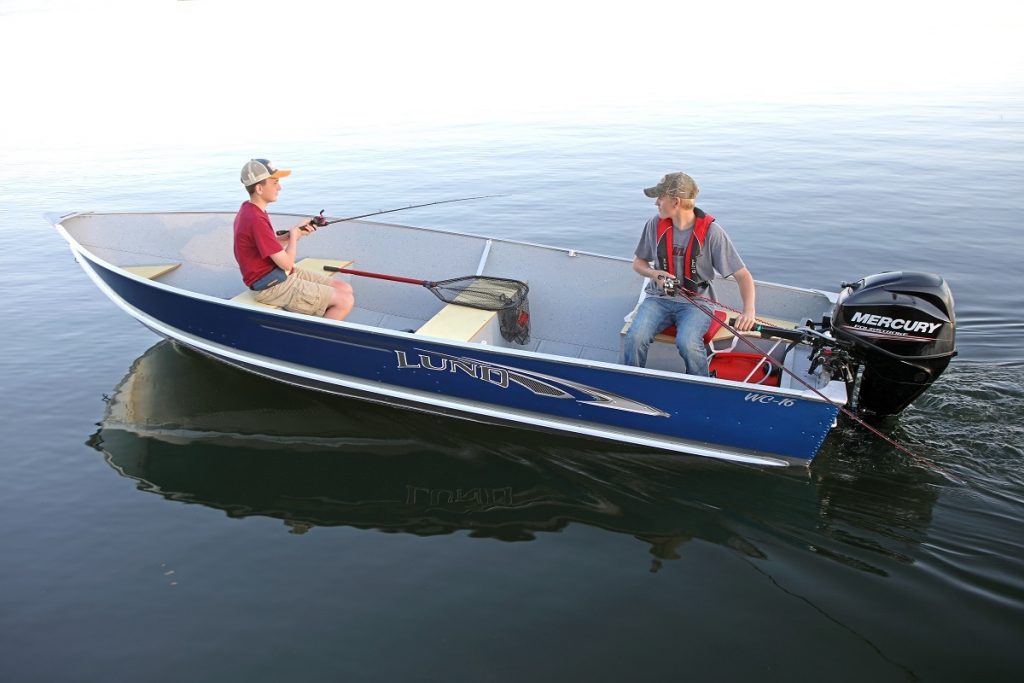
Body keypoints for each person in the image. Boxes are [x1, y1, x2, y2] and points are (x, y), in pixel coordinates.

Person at [621, 172, 756, 375]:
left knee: (688, 342)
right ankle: (631, 380)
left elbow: (743, 275)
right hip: (658, 298)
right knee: (635, 337)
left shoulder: (712, 233)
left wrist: (749, 311)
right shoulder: (654, 225)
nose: (656, 202)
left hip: (697, 303)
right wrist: (655, 274)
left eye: (660, 197)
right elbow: (638, 263)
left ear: (675, 202)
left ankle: (702, 385)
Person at [233, 158, 354, 321]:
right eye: (275, 183)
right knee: (345, 301)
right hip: (269, 286)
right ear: (259, 188)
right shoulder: (256, 219)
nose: (280, 187)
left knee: (344, 287)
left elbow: (269, 245)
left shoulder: (249, 208)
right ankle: (314, 337)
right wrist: (294, 238)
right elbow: (287, 264)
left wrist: (295, 232)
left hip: (277, 274)